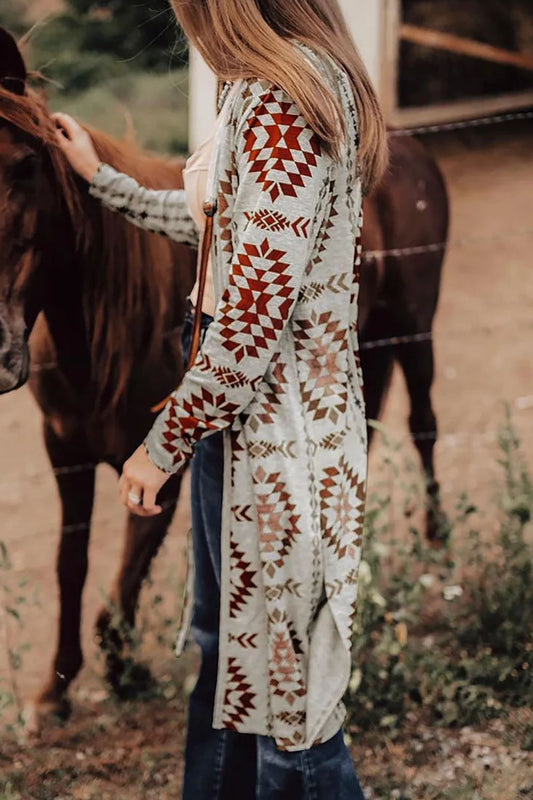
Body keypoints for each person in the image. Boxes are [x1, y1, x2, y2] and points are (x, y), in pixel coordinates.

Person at [53, 1, 387, 797]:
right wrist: (104, 182)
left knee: (293, 718)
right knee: (225, 647)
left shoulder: (279, 101)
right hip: (243, 422)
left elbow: (248, 319)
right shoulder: (277, 85)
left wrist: (160, 445)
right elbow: (224, 229)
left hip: (279, 434)